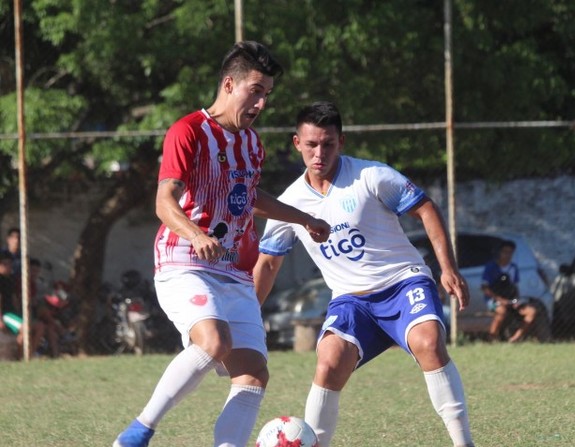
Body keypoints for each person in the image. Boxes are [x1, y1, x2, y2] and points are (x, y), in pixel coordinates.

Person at [112, 41, 330, 447]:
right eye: (256, 91)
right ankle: (138, 432)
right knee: (213, 342)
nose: (262, 103)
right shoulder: (188, 131)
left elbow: (250, 196)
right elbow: (164, 201)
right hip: (185, 262)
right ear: (229, 84)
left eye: (267, 94)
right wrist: (196, 234)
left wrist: (305, 219)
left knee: (252, 375)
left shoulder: (252, 144)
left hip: (233, 271)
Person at [254, 101, 475, 447]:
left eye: (328, 144)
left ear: (341, 142)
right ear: (297, 144)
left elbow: (426, 209)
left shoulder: (371, 176)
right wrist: (249, 319)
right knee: (328, 361)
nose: (319, 153)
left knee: (429, 343)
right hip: (351, 302)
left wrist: (448, 267)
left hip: (403, 282)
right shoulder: (288, 203)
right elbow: (267, 264)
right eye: (311, 144)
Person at [481, 239, 538, 342]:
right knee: (501, 310)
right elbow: (485, 288)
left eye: (510, 253)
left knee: (531, 312)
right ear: (499, 252)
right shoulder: (491, 267)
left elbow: (514, 287)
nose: (507, 255)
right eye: (505, 252)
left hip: (510, 300)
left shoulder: (513, 268)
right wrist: (500, 300)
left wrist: (516, 301)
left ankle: (515, 338)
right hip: (494, 300)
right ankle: (492, 338)